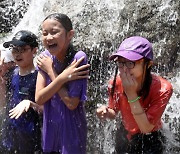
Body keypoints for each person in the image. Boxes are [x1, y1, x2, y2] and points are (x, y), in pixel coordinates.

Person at [96, 36, 173, 154]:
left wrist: (131, 94)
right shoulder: (115, 83)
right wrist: (106, 112)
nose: (125, 69)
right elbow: (113, 111)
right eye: (121, 63)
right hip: (125, 134)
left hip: (150, 139)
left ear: (148, 64)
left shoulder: (162, 89)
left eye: (130, 63)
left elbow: (146, 128)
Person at [35, 13, 89, 154]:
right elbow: (39, 98)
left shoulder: (78, 58)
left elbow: (71, 103)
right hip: (50, 131)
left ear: (70, 34)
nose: (49, 38)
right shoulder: (45, 58)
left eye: (54, 32)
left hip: (71, 132)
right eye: (45, 33)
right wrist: (62, 78)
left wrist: (51, 72)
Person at [0, 30, 42, 153]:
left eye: (22, 49)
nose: (17, 54)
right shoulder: (11, 74)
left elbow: (50, 109)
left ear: (34, 51)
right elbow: (2, 105)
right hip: (8, 137)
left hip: (30, 139)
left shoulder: (39, 76)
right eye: (14, 50)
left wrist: (30, 103)